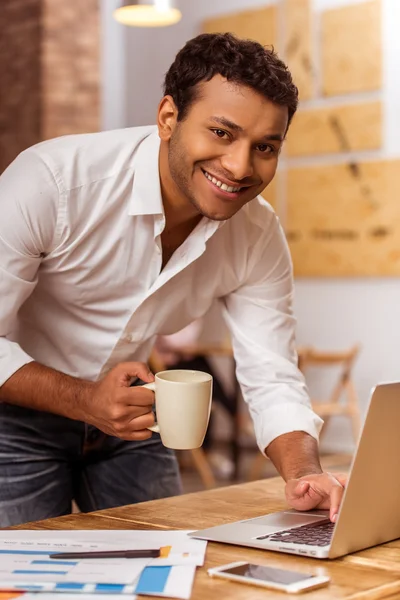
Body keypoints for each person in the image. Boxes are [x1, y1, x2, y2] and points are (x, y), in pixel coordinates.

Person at [0, 32, 345, 527]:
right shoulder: (52, 182)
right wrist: (85, 400)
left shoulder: (258, 233)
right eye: (222, 133)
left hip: (137, 423)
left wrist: (306, 474)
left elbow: (272, 373)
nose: (240, 166)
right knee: (17, 575)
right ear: (168, 118)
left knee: (166, 567)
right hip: (14, 416)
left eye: (265, 146)